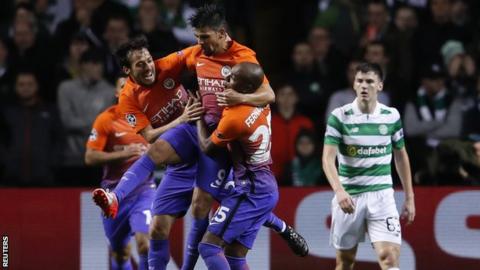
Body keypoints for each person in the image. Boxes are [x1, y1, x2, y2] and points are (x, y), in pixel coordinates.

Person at [93, 4, 308, 269]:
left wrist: (239, 97)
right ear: (128, 71)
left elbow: (269, 94)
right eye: (196, 37)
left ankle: (278, 226)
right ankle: (115, 197)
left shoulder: (242, 57)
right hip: (194, 131)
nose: (199, 43)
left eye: (204, 37)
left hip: (218, 141)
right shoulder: (185, 60)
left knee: (202, 209)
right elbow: (148, 134)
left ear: (221, 33)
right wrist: (185, 118)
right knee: (158, 224)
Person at [322, 62, 415, 270]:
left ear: (380, 86)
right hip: (349, 197)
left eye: (370, 81)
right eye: (360, 81)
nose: (364, 86)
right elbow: (328, 159)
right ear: (354, 85)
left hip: (382, 196)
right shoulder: (340, 116)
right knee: (345, 262)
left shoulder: (391, 116)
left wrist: (409, 197)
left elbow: (401, 156)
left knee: (389, 258)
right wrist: (339, 191)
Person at [196, 62, 279, 269]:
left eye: (231, 78)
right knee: (234, 254)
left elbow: (207, 147)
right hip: (264, 185)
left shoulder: (235, 117)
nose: (225, 80)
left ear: (246, 89)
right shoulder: (262, 102)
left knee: (208, 247)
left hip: (250, 189)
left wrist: (198, 118)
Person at [87, 76, 153, 270]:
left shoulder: (150, 119)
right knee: (120, 252)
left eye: (133, 88)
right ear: (117, 93)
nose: (128, 91)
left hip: (143, 191)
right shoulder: (106, 119)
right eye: (123, 88)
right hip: (113, 193)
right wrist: (123, 154)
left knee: (145, 244)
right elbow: (90, 157)